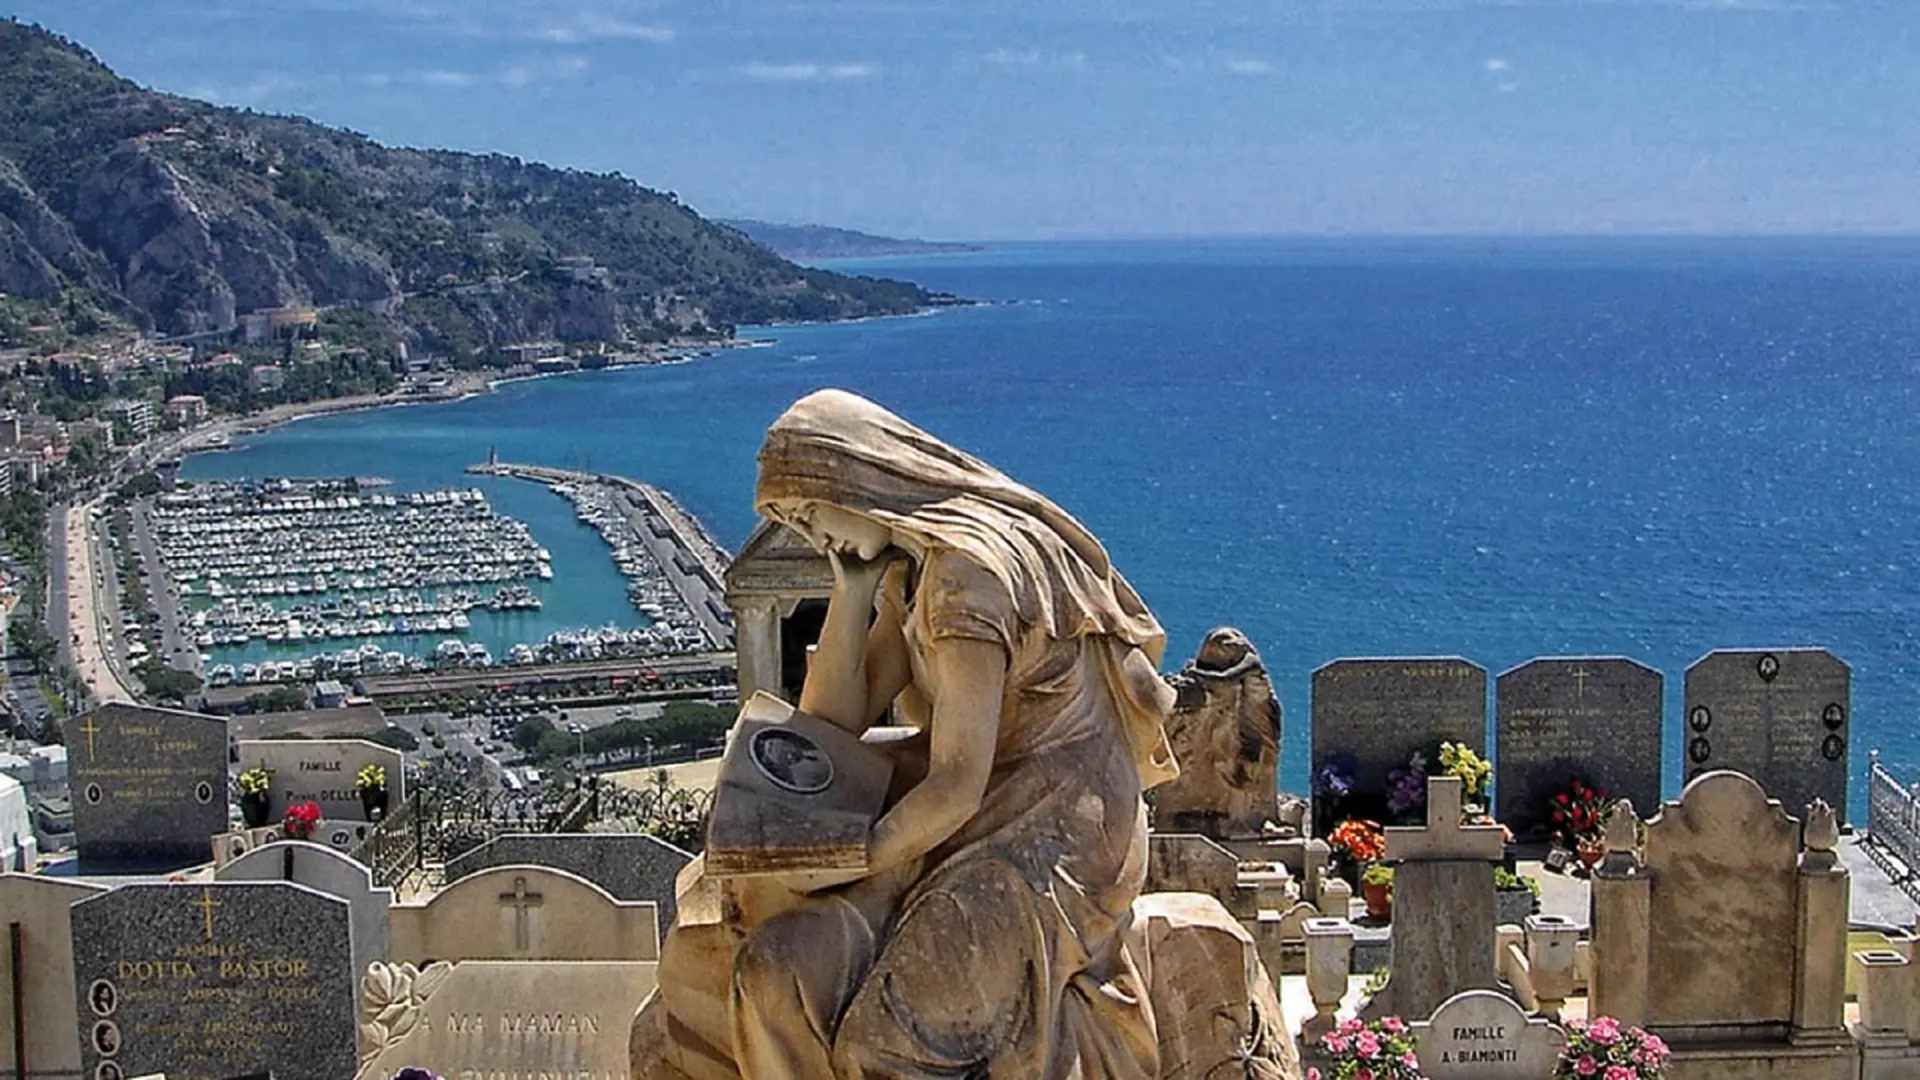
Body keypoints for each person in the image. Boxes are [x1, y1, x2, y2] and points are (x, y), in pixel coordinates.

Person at [719, 388, 1181, 1078]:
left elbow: (959, 781)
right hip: (969, 808)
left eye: (812, 513)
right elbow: (829, 725)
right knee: (774, 969)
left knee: (888, 1042)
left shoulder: (969, 579)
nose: (815, 536)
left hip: (1050, 828)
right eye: (797, 525)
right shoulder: (914, 568)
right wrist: (851, 593)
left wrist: (856, 857)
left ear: (857, 476)